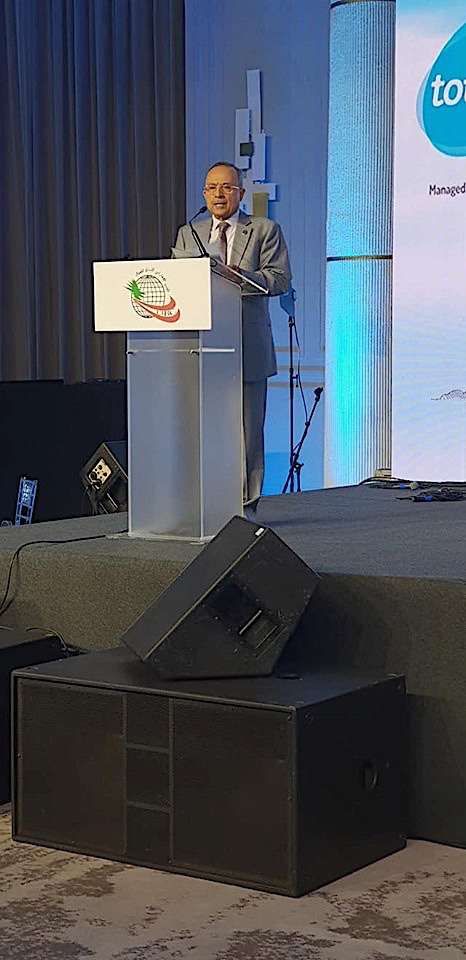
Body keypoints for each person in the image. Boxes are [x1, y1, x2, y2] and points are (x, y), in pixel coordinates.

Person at [174, 162, 291, 511]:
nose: (219, 194)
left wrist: (241, 277)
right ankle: (206, 506)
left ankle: (247, 508)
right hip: (202, 345)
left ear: (240, 193)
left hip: (247, 344)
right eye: (212, 188)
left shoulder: (264, 230)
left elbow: (280, 280)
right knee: (204, 431)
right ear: (204, 194)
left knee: (247, 434)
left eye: (226, 187)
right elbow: (178, 283)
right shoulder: (189, 233)